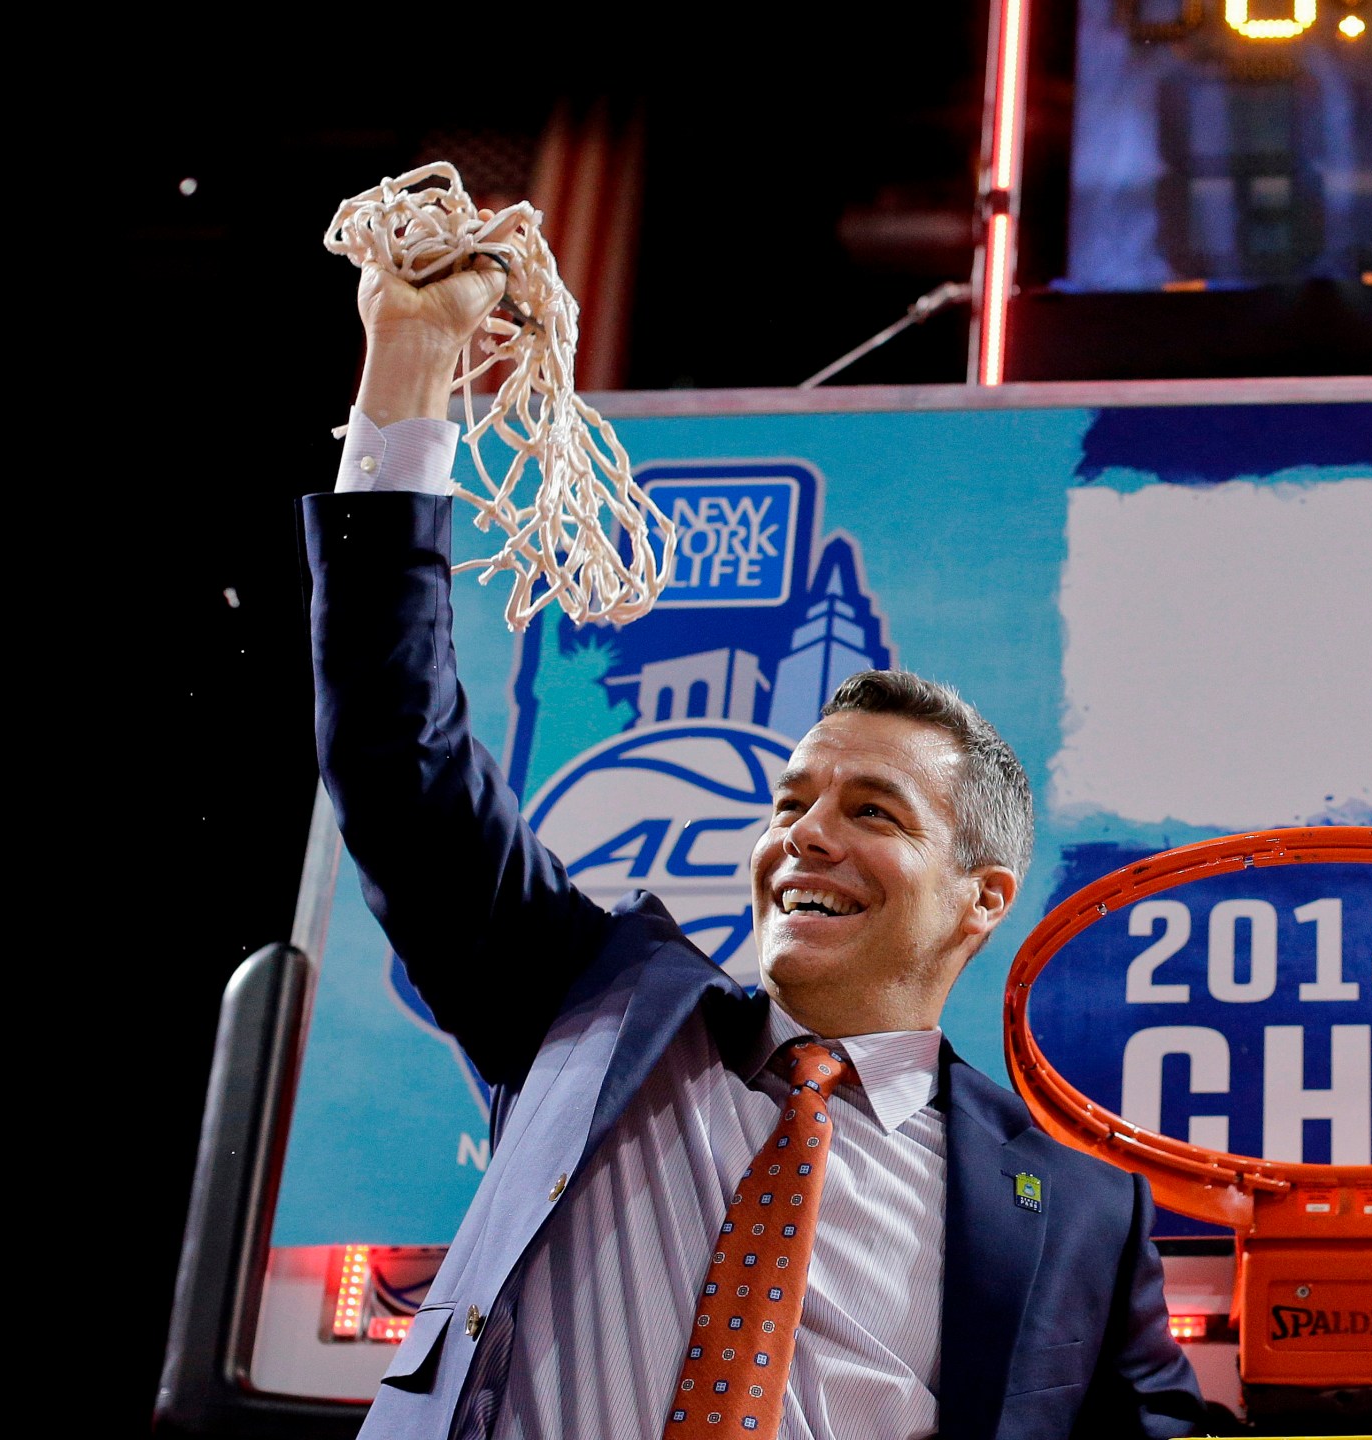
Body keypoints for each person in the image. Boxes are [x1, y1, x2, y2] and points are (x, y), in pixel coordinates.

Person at [309, 255, 1203, 1440]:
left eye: (872, 813)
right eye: (790, 803)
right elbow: (396, 759)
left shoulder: (1081, 1215)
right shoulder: (587, 1007)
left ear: (981, 899)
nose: (805, 839)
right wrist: (412, 368)